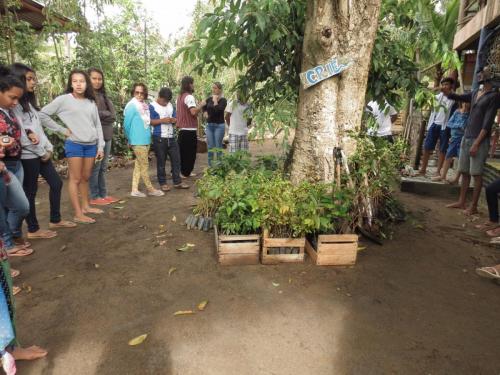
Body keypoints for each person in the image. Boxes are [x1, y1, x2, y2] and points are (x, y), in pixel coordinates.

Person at [10, 63, 76, 241]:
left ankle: (55, 220)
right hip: (28, 156)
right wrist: (41, 152)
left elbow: (37, 129)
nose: (33, 82)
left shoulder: (29, 104)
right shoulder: (14, 105)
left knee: (56, 183)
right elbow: (23, 135)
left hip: (40, 153)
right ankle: (33, 229)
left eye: (34, 78)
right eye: (29, 79)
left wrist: (48, 148)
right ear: (18, 80)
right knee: (30, 192)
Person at [39, 69, 105, 224]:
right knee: (75, 179)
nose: (78, 84)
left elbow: (98, 125)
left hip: (91, 145)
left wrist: (100, 146)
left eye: (81, 81)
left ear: (86, 83)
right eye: (75, 81)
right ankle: (78, 213)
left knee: (85, 177)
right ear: (70, 83)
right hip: (74, 144)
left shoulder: (90, 102)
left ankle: (86, 206)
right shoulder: (64, 100)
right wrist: (62, 130)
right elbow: (42, 114)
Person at [445, 67, 500, 215]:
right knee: (464, 171)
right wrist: (449, 93)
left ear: (490, 77)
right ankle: (462, 202)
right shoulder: (476, 92)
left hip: (479, 140)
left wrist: (477, 143)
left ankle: (474, 206)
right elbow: (460, 97)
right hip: (467, 136)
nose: (480, 75)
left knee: (476, 174)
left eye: (483, 73)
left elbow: (487, 124)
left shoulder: (493, 96)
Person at [0, 66, 33, 257]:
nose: (15, 102)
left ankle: (10, 239)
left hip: (13, 162)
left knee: (20, 205)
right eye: (12, 97)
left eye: (17, 98)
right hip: (6, 166)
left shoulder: (9, 111)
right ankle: (8, 244)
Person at [123, 83, 164, 198]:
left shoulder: (144, 105)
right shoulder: (131, 106)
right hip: (137, 141)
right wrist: (129, 139)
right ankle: (150, 189)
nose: (139, 95)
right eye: (137, 92)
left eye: (142, 92)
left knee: (139, 165)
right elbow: (126, 125)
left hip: (145, 139)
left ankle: (134, 190)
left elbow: (147, 122)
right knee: (144, 165)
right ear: (133, 92)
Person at [88, 68, 118, 206]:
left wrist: (102, 115)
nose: (97, 81)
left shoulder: (103, 96)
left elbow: (113, 116)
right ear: (88, 79)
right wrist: (104, 114)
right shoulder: (87, 97)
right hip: (95, 139)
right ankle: (94, 196)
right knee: (96, 168)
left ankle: (103, 194)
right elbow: (90, 117)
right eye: (94, 78)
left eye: (100, 79)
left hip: (107, 136)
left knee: (103, 167)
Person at [149, 87, 188, 191]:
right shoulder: (152, 106)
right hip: (159, 137)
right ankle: (163, 183)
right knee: (161, 161)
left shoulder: (170, 105)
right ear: (159, 97)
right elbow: (150, 121)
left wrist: (173, 120)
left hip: (171, 137)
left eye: (167, 101)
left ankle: (177, 182)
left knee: (176, 160)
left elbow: (175, 117)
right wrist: (162, 120)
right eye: (164, 101)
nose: (166, 103)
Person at [418, 77, 456, 177]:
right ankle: (422, 170)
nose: (444, 87)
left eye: (446, 84)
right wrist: (433, 90)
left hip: (446, 126)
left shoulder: (454, 99)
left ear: (451, 86)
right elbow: (428, 98)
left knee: (442, 149)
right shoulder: (437, 97)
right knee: (427, 147)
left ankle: (438, 171)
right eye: (443, 85)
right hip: (434, 124)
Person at [431, 102, 470, 184]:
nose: (465, 104)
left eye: (468, 103)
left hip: (462, 139)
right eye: (464, 102)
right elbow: (449, 123)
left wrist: (461, 126)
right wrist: (458, 126)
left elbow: (466, 128)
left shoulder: (469, 115)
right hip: (453, 138)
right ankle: (443, 176)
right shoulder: (457, 112)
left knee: (461, 160)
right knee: (448, 157)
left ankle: (456, 179)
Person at [176, 76, 204, 178]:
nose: (193, 85)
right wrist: (201, 105)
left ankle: (184, 171)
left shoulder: (180, 97)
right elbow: (193, 112)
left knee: (183, 152)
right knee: (190, 153)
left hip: (182, 129)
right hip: (189, 129)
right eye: (192, 83)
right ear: (189, 84)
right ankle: (185, 172)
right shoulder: (189, 97)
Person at [203, 82, 227, 166]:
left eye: (215, 88)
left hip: (219, 126)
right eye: (213, 88)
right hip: (209, 125)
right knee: (210, 147)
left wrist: (215, 101)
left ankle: (220, 167)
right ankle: (211, 167)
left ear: (220, 90)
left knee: (218, 147)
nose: (213, 89)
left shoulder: (223, 100)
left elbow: (218, 111)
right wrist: (205, 112)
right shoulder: (209, 99)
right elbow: (204, 106)